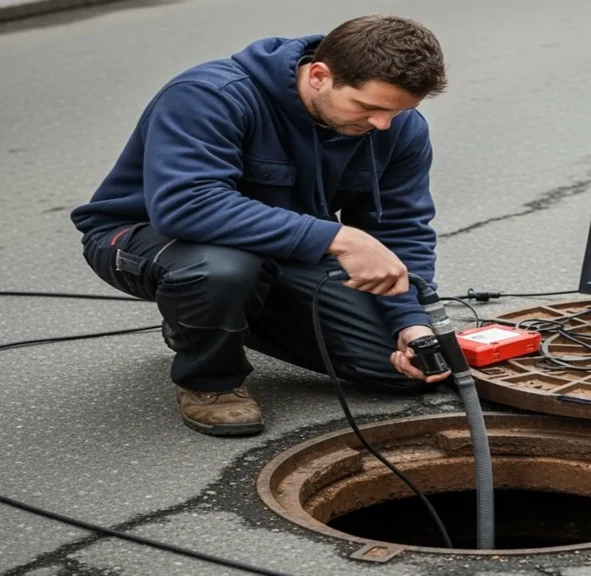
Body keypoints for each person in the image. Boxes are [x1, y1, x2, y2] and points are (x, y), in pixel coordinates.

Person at [69, 15, 451, 437]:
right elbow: (185, 206)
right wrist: (339, 237)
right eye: (369, 107)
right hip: (148, 238)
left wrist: (410, 321)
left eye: (398, 111)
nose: (382, 124)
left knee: (401, 371)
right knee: (222, 270)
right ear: (320, 76)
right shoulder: (210, 95)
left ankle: (214, 316)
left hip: (278, 251)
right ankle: (210, 380)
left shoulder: (398, 128)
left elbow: (401, 228)